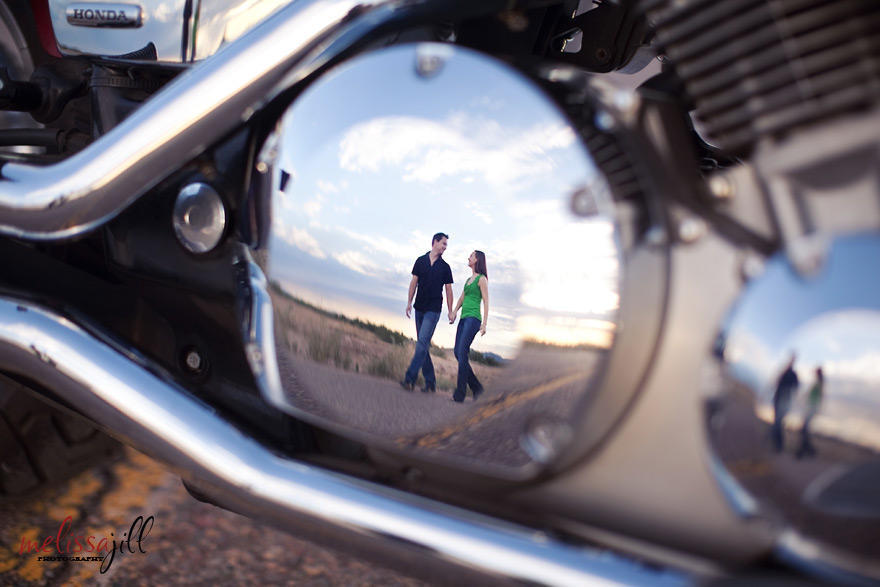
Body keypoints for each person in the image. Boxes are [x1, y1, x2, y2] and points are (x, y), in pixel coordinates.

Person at [400, 233, 453, 392]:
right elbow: (413, 282)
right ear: (435, 242)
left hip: (433, 310)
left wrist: (450, 311)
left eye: (446, 245)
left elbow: (449, 290)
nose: (444, 247)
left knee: (421, 344)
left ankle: (409, 379)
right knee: (423, 347)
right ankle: (430, 383)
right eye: (443, 244)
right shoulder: (420, 261)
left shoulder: (445, 267)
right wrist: (409, 302)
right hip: (419, 308)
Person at [450, 250, 489, 403]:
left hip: (473, 319)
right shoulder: (468, 280)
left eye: (471, 256)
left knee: (462, 351)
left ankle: (460, 393)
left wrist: (484, 324)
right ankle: (477, 388)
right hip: (463, 318)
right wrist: (454, 311)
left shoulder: (482, 279)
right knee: (457, 353)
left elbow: (486, 301)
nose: (468, 257)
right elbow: (462, 297)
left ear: (477, 260)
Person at [771, 354, 799, 452]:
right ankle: (775, 443)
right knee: (777, 420)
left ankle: (778, 445)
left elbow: (795, 388)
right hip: (778, 397)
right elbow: (776, 382)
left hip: (784, 398)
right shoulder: (784, 372)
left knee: (778, 421)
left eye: (792, 360)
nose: (790, 361)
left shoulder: (793, 374)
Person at [797, 367, 824, 459]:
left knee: (804, 428)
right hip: (810, 407)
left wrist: (814, 408)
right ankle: (807, 450)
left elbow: (817, 397)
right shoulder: (818, 382)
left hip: (811, 408)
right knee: (804, 429)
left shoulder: (819, 383)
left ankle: (805, 450)